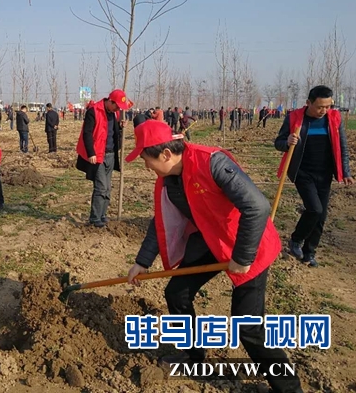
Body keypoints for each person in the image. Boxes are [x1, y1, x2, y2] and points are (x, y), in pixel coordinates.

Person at [126, 120, 303, 393]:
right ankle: (192, 354)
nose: (145, 166)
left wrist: (243, 257)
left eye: (145, 159)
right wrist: (142, 262)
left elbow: (257, 207)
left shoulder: (212, 163)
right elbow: (160, 220)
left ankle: (289, 388)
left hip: (248, 244)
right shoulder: (169, 180)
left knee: (248, 327)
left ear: (165, 154)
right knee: (177, 293)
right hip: (211, 240)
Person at [275, 85, 353, 267]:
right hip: (303, 172)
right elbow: (278, 143)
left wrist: (346, 172)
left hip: (325, 174)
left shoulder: (334, 119)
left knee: (321, 216)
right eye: (320, 107)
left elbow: (342, 147)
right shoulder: (294, 118)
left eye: (328, 106)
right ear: (308, 103)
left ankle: (309, 253)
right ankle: (296, 239)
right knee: (315, 209)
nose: (324, 111)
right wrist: (286, 142)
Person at [76, 89, 130, 227]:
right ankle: (95, 218)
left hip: (111, 154)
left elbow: (112, 131)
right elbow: (87, 133)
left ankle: (103, 214)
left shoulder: (115, 113)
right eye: (116, 106)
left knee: (107, 188)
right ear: (110, 101)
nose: (118, 109)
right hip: (98, 154)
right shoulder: (93, 111)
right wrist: (91, 153)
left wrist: (121, 127)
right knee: (101, 187)